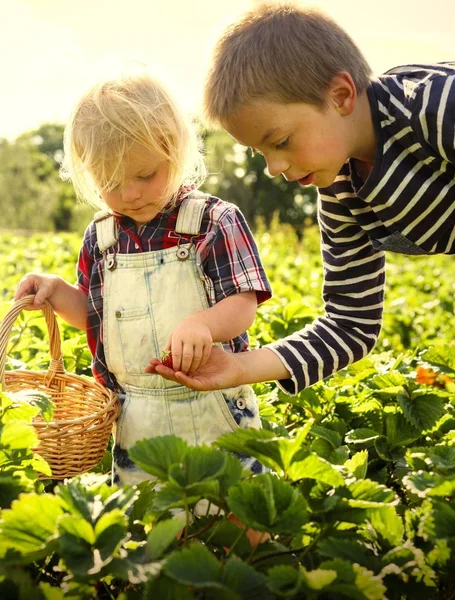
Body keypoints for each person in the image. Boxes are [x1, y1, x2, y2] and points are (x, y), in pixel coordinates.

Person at [147, 2, 455, 396]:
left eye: (280, 142)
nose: (274, 167)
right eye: (261, 153)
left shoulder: (434, 104)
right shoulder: (341, 188)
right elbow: (351, 324)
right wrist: (238, 367)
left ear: (341, 95)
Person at [14, 72, 272, 487]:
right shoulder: (102, 239)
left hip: (215, 407)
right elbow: (98, 319)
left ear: (176, 150)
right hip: (137, 418)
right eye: (111, 183)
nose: (131, 194)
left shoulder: (213, 221)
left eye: (146, 175)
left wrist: (203, 324)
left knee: (237, 515)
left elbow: (243, 305)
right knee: (149, 531)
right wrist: (57, 292)